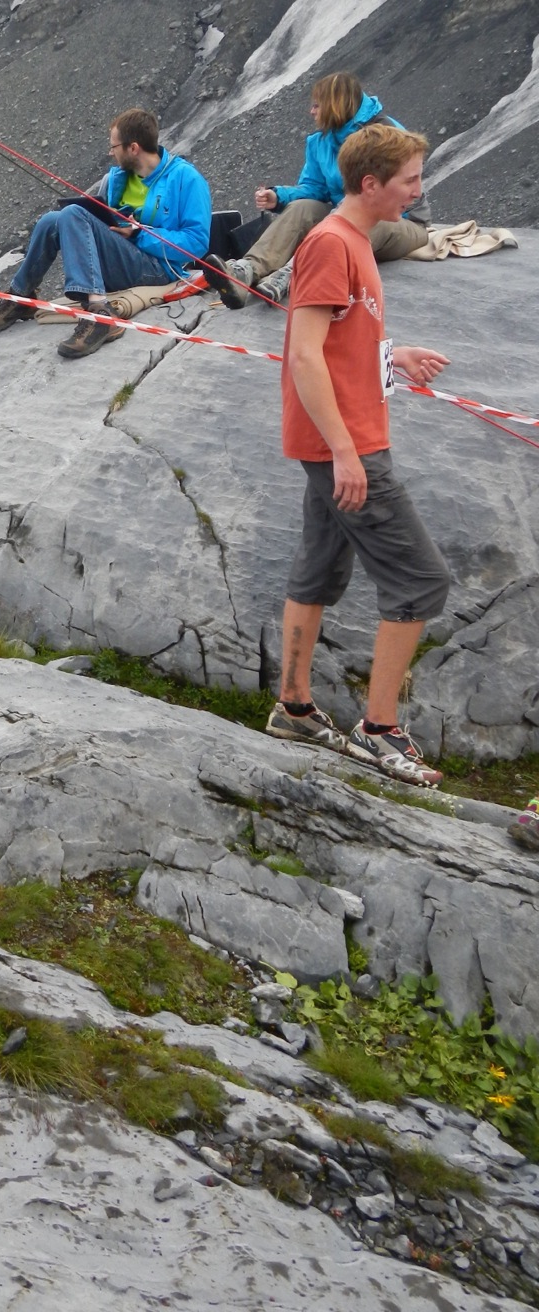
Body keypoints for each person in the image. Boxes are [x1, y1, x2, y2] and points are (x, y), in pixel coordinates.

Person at [265, 123, 450, 788]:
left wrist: (390, 356)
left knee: (319, 567)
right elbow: (304, 354)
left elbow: (339, 340)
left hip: (344, 439)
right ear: (370, 184)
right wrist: (344, 452)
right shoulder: (330, 244)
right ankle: (380, 730)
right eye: (409, 180)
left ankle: (293, 707)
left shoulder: (355, 241)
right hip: (348, 445)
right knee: (421, 580)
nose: (418, 192)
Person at [0, 107, 212, 357]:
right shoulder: (116, 179)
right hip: (124, 259)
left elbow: (197, 243)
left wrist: (138, 234)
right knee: (51, 220)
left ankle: (100, 313)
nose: (111, 153)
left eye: (114, 146)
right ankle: (21, 296)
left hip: (158, 268)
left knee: (72, 214)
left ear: (133, 148)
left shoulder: (186, 178)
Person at [203, 73, 429, 307]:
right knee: (302, 208)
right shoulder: (320, 141)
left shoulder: (386, 135)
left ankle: (292, 272)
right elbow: (315, 188)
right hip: (344, 217)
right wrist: (278, 196)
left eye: (317, 105)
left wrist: (344, 214)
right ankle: (245, 272)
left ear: (335, 105)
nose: (311, 111)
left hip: (400, 220)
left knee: (365, 217)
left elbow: (397, 189)